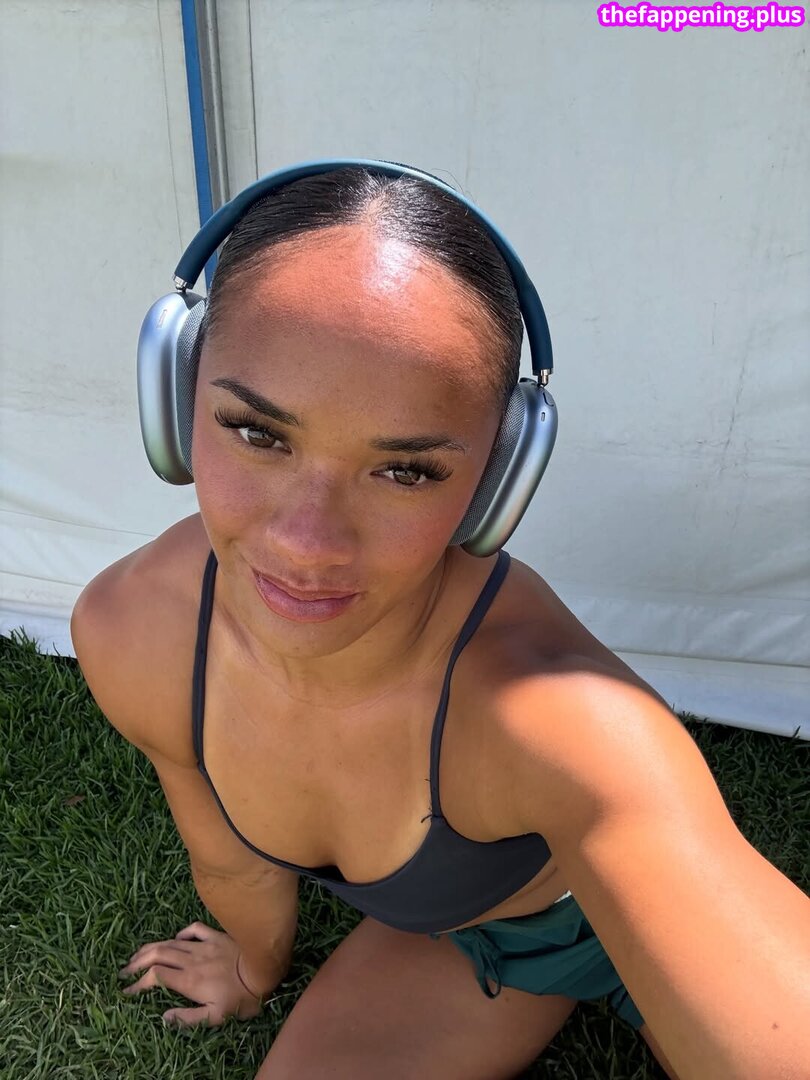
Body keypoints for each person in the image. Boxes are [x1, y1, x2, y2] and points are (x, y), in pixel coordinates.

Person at [70, 165, 809, 1080]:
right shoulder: (136, 631)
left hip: (594, 907)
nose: (307, 543)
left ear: (498, 484)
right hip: (476, 945)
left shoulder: (558, 720)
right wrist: (253, 969)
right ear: (174, 399)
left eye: (406, 470)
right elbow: (231, 863)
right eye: (258, 432)